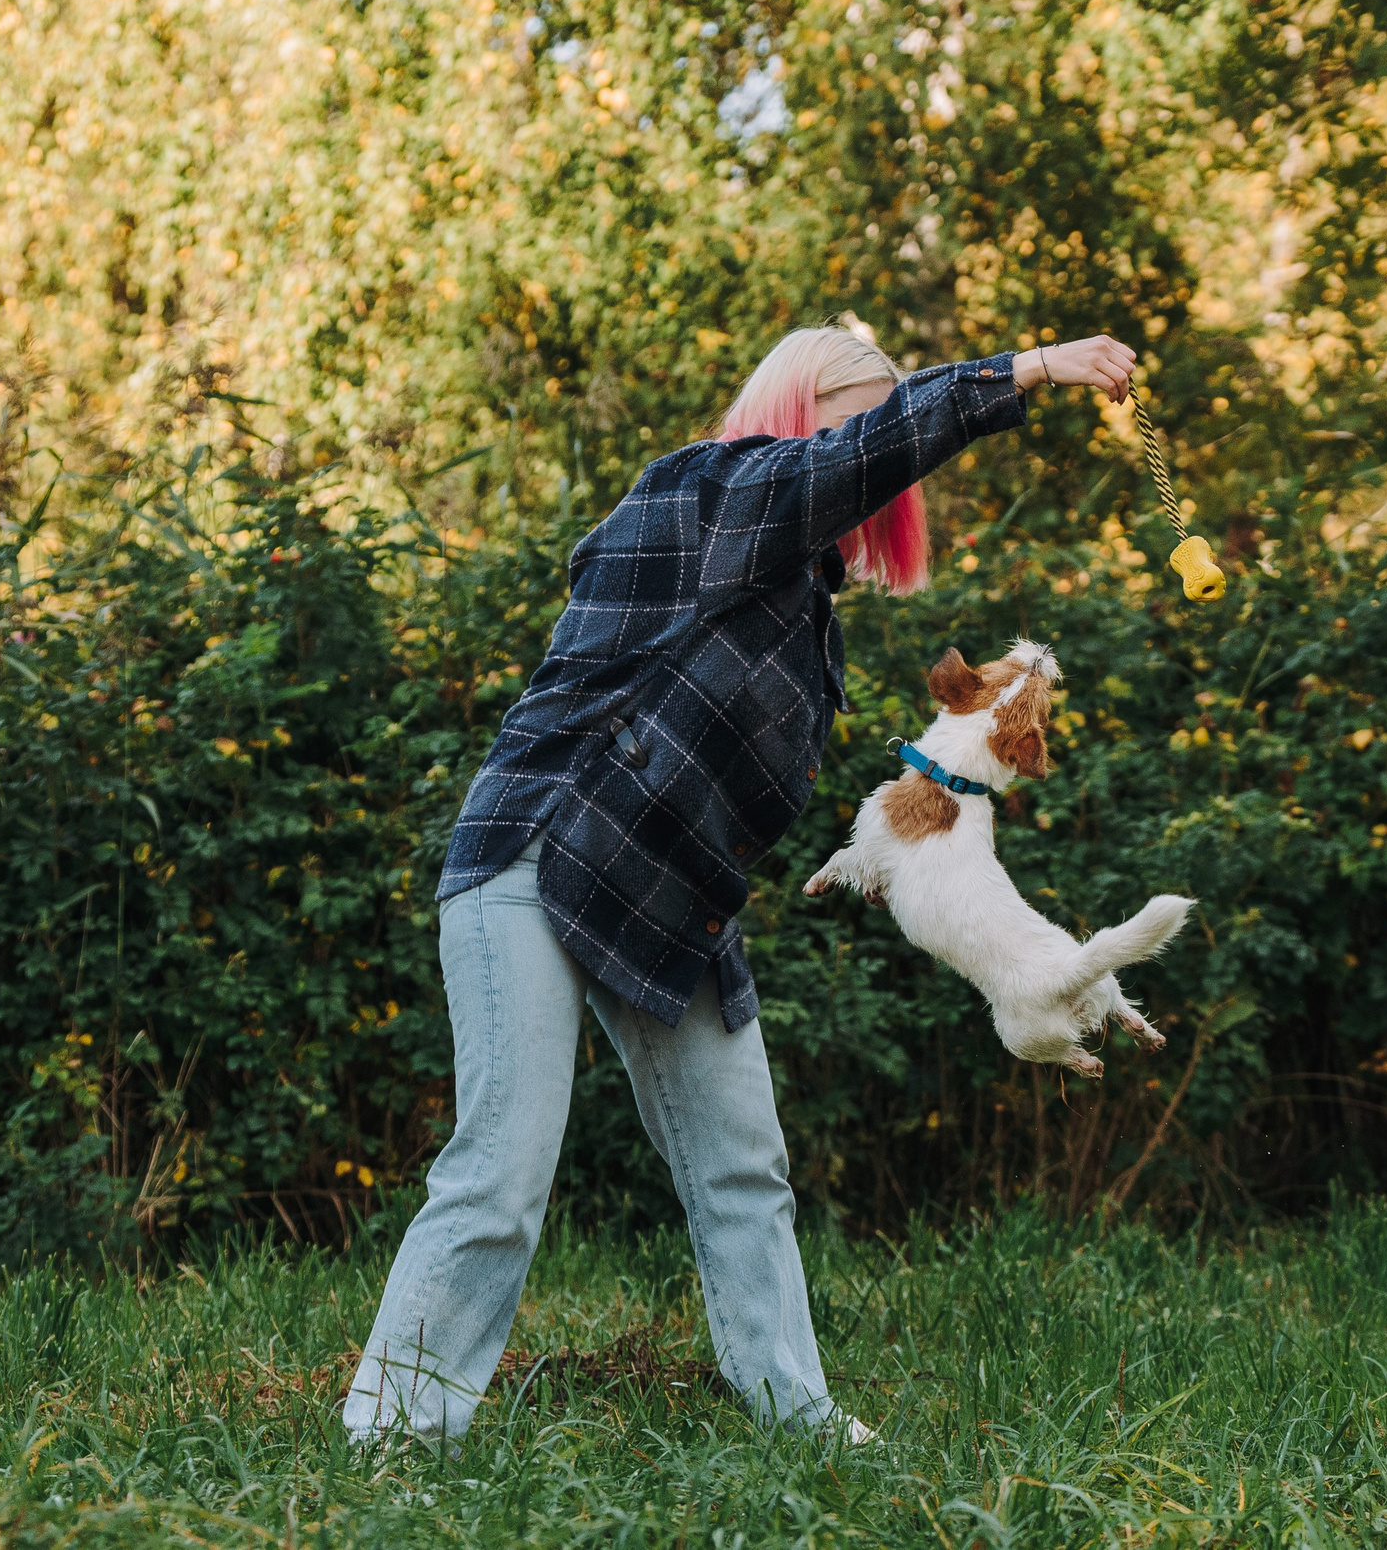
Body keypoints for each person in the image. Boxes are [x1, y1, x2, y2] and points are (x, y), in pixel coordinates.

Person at [342, 322, 1137, 1446]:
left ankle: (795, 1416)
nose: (873, 437)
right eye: (860, 411)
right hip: (542, 845)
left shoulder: (805, 609)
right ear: (799, 406)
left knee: (744, 1170)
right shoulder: (715, 490)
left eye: (881, 417)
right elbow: (855, 459)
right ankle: (391, 1437)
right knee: (502, 1168)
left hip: (673, 898)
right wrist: (1032, 368)